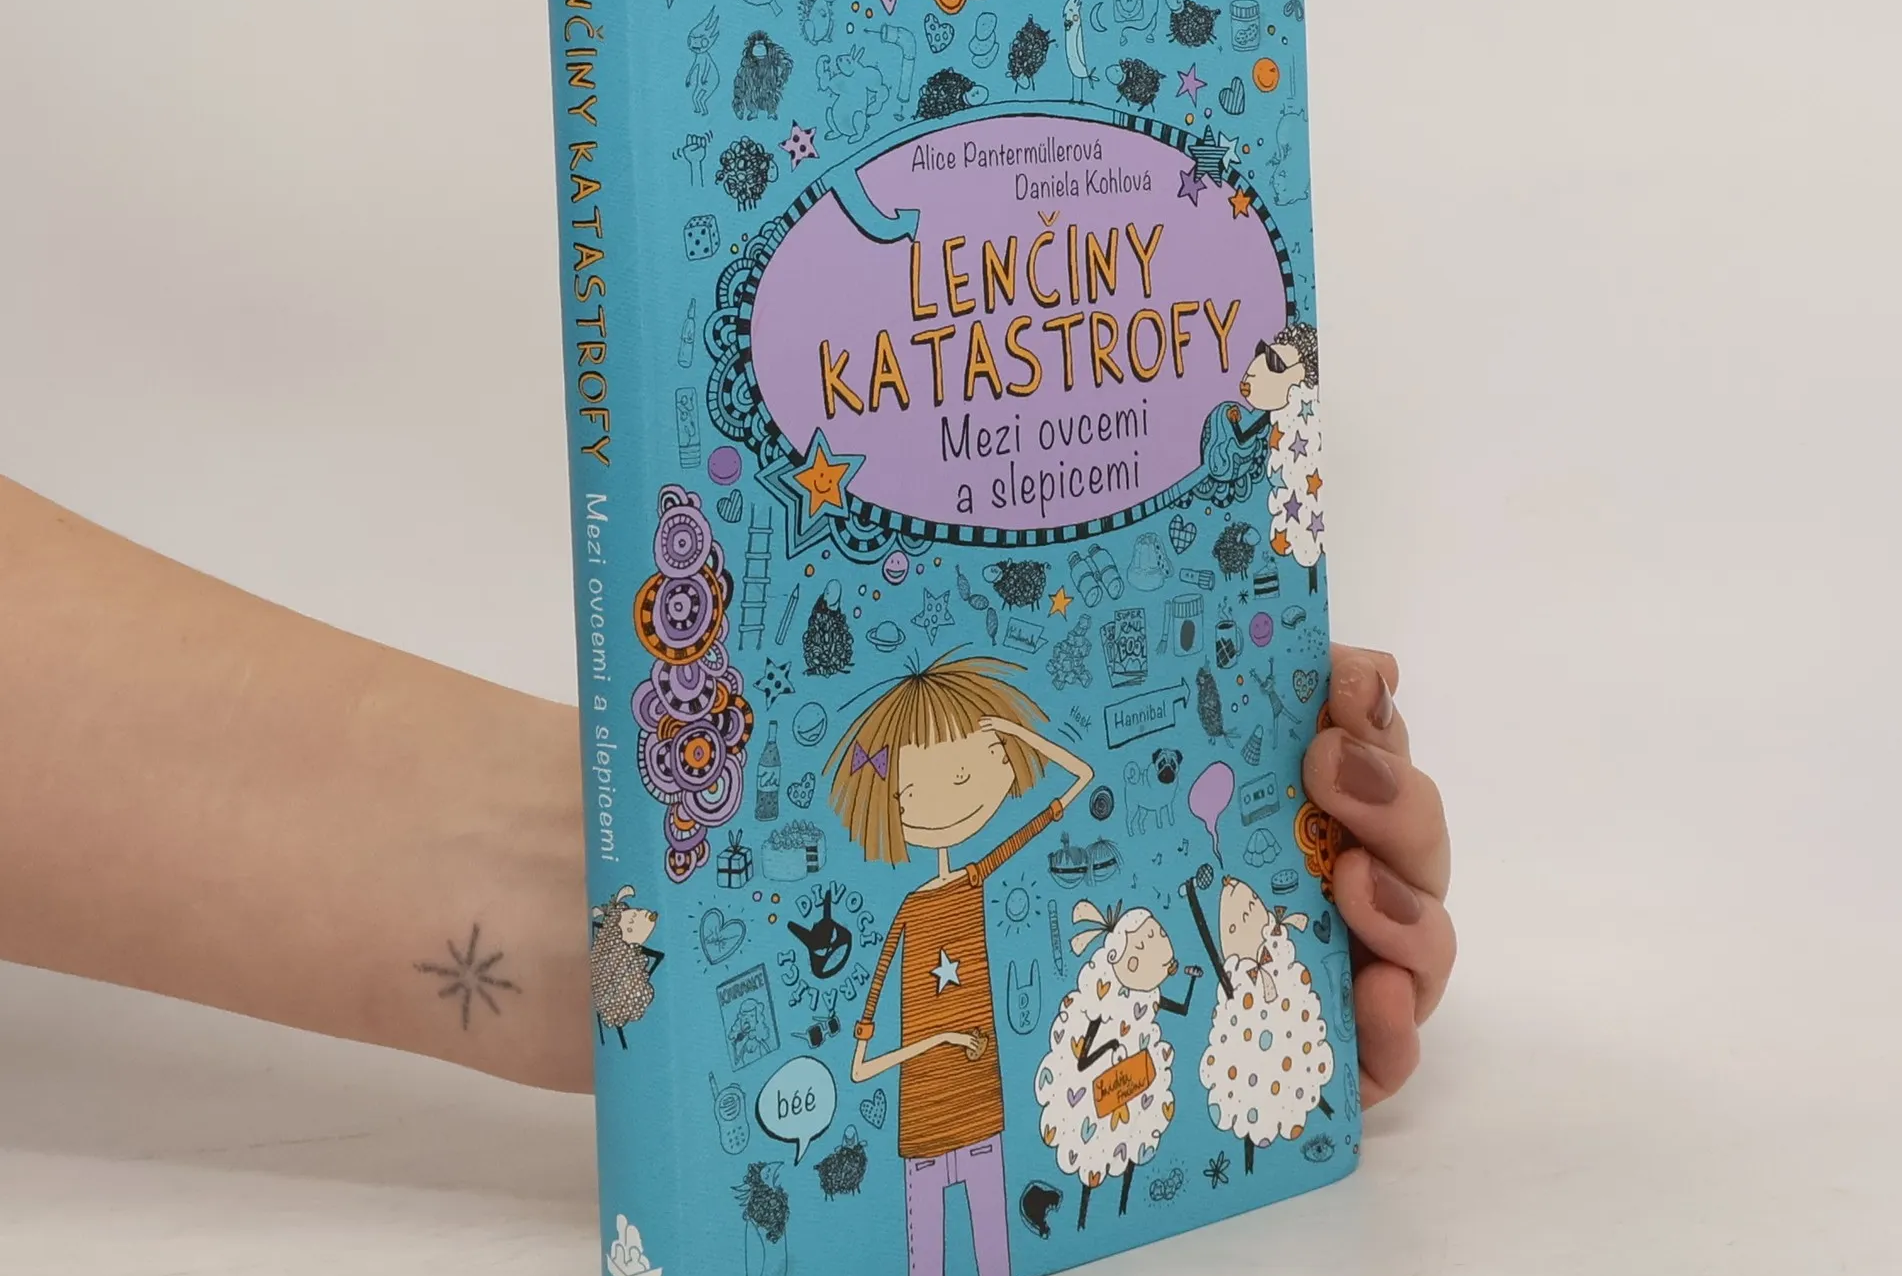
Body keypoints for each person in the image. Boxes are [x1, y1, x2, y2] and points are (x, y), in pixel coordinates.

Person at [0, 473, 1456, 1112]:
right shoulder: (918, 909)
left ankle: (614, 892)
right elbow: (876, 1028)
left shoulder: (951, 879)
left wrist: (599, 855)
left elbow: (1052, 801)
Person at [829, 655, 1091, 1276]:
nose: (950, 797)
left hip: (981, 1111)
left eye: (969, 772)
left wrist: (1017, 733)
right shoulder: (907, 913)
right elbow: (861, 1064)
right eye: (915, 790)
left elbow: (1081, 777)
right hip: (923, 1123)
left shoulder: (977, 875)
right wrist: (938, 1039)